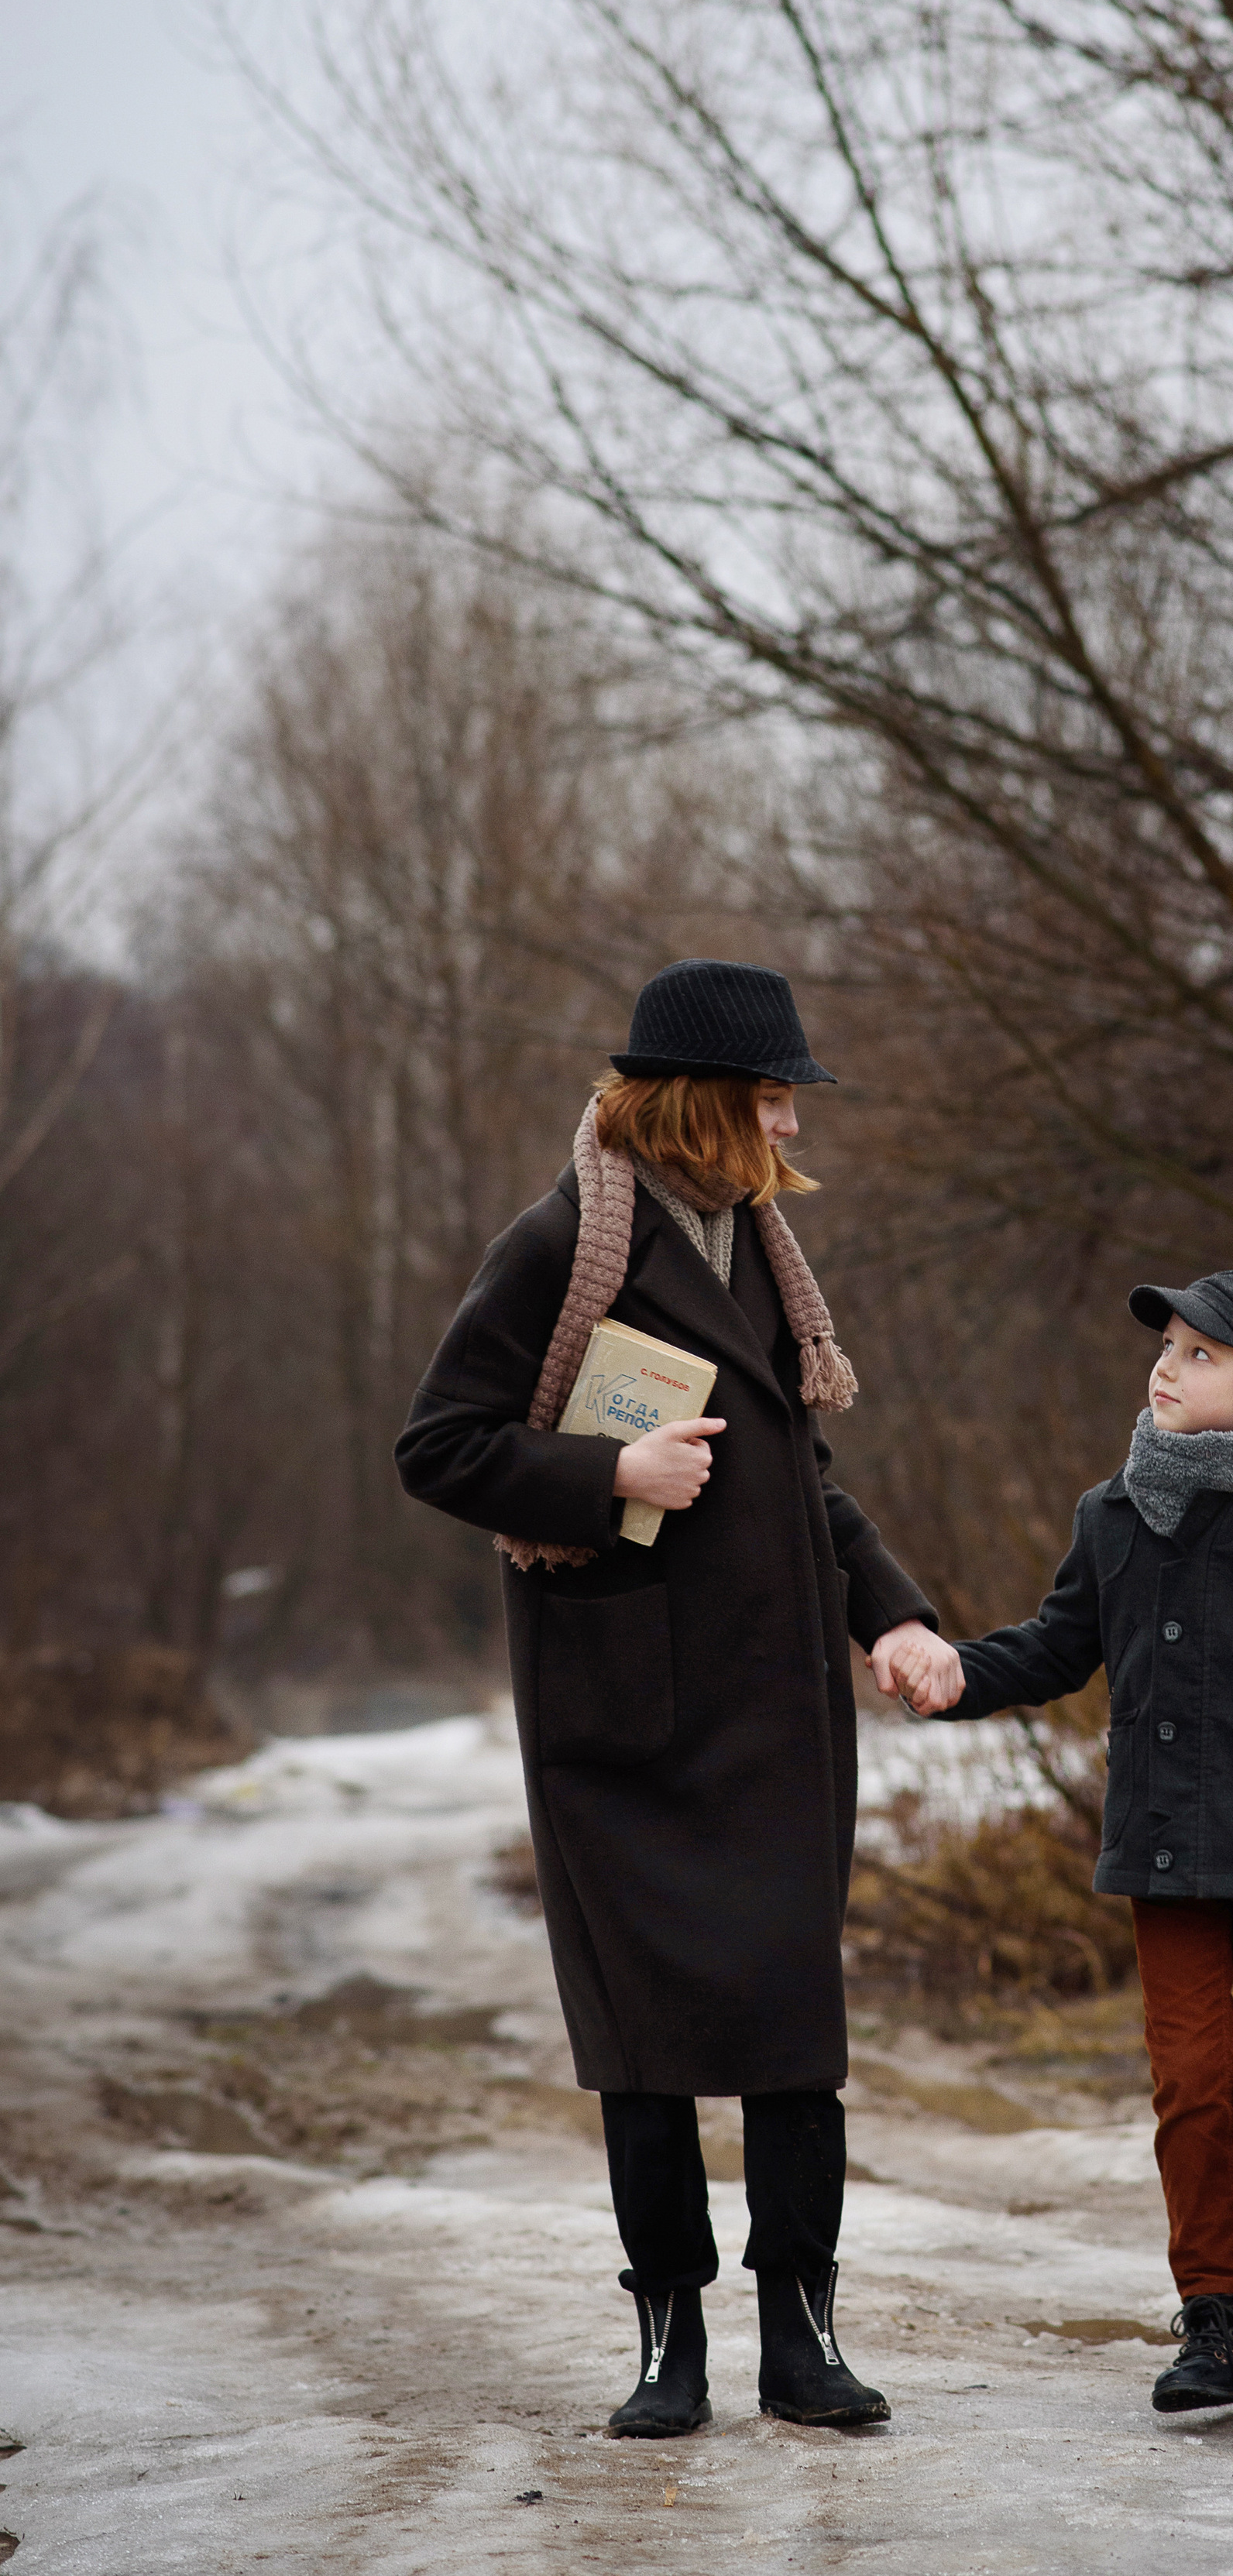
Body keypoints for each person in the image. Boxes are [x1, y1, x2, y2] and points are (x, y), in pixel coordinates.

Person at [395, 959, 941, 2437]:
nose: (791, 1125)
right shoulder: (559, 1242)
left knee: (791, 2042)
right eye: (773, 1096)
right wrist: (607, 1474)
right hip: (619, 1723)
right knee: (645, 2055)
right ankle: (670, 2351)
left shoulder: (762, 1250)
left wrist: (890, 1613)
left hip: (775, 1718)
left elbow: (796, 1479)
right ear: (705, 1104)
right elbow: (437, 1446)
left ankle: (803, 2346)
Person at [876, 1269, 1233, 2417]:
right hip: (1163, 1847)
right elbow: (1056, 1646)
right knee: (1190, 2087)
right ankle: (1218, 2320)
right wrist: (956, 1672)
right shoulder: (1114, 1512)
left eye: (1198, 1355)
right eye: (1167, 1348)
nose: (1166, 1368)